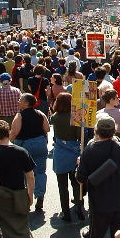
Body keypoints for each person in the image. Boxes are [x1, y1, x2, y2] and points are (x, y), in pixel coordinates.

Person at [0, 120, 35, 238]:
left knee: (3, 233)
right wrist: (30, 194)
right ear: (8, 133)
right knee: (22, 228)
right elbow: (30, 176)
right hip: (19, 195)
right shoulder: (22, 152)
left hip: (2, 199)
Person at [9, 93, 50, 212]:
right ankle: (40, 195)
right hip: (40, 143)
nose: (18, 101)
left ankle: (26, 197)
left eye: (20, 100)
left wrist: (7, 143)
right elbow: (47, 129)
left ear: (27, 103)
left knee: (23, 172)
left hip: (24, 144)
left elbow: (14, 132)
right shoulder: (40, 114)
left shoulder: (19, 116)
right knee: (40, 172)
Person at [50, 92, 84, 222]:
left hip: (60, 151)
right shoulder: (75, 117)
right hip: (74, 152)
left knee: (62, 185)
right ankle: (79, 207)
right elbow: (78, 136)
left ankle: (65, 212)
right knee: (76, 182)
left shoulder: (55, 117)